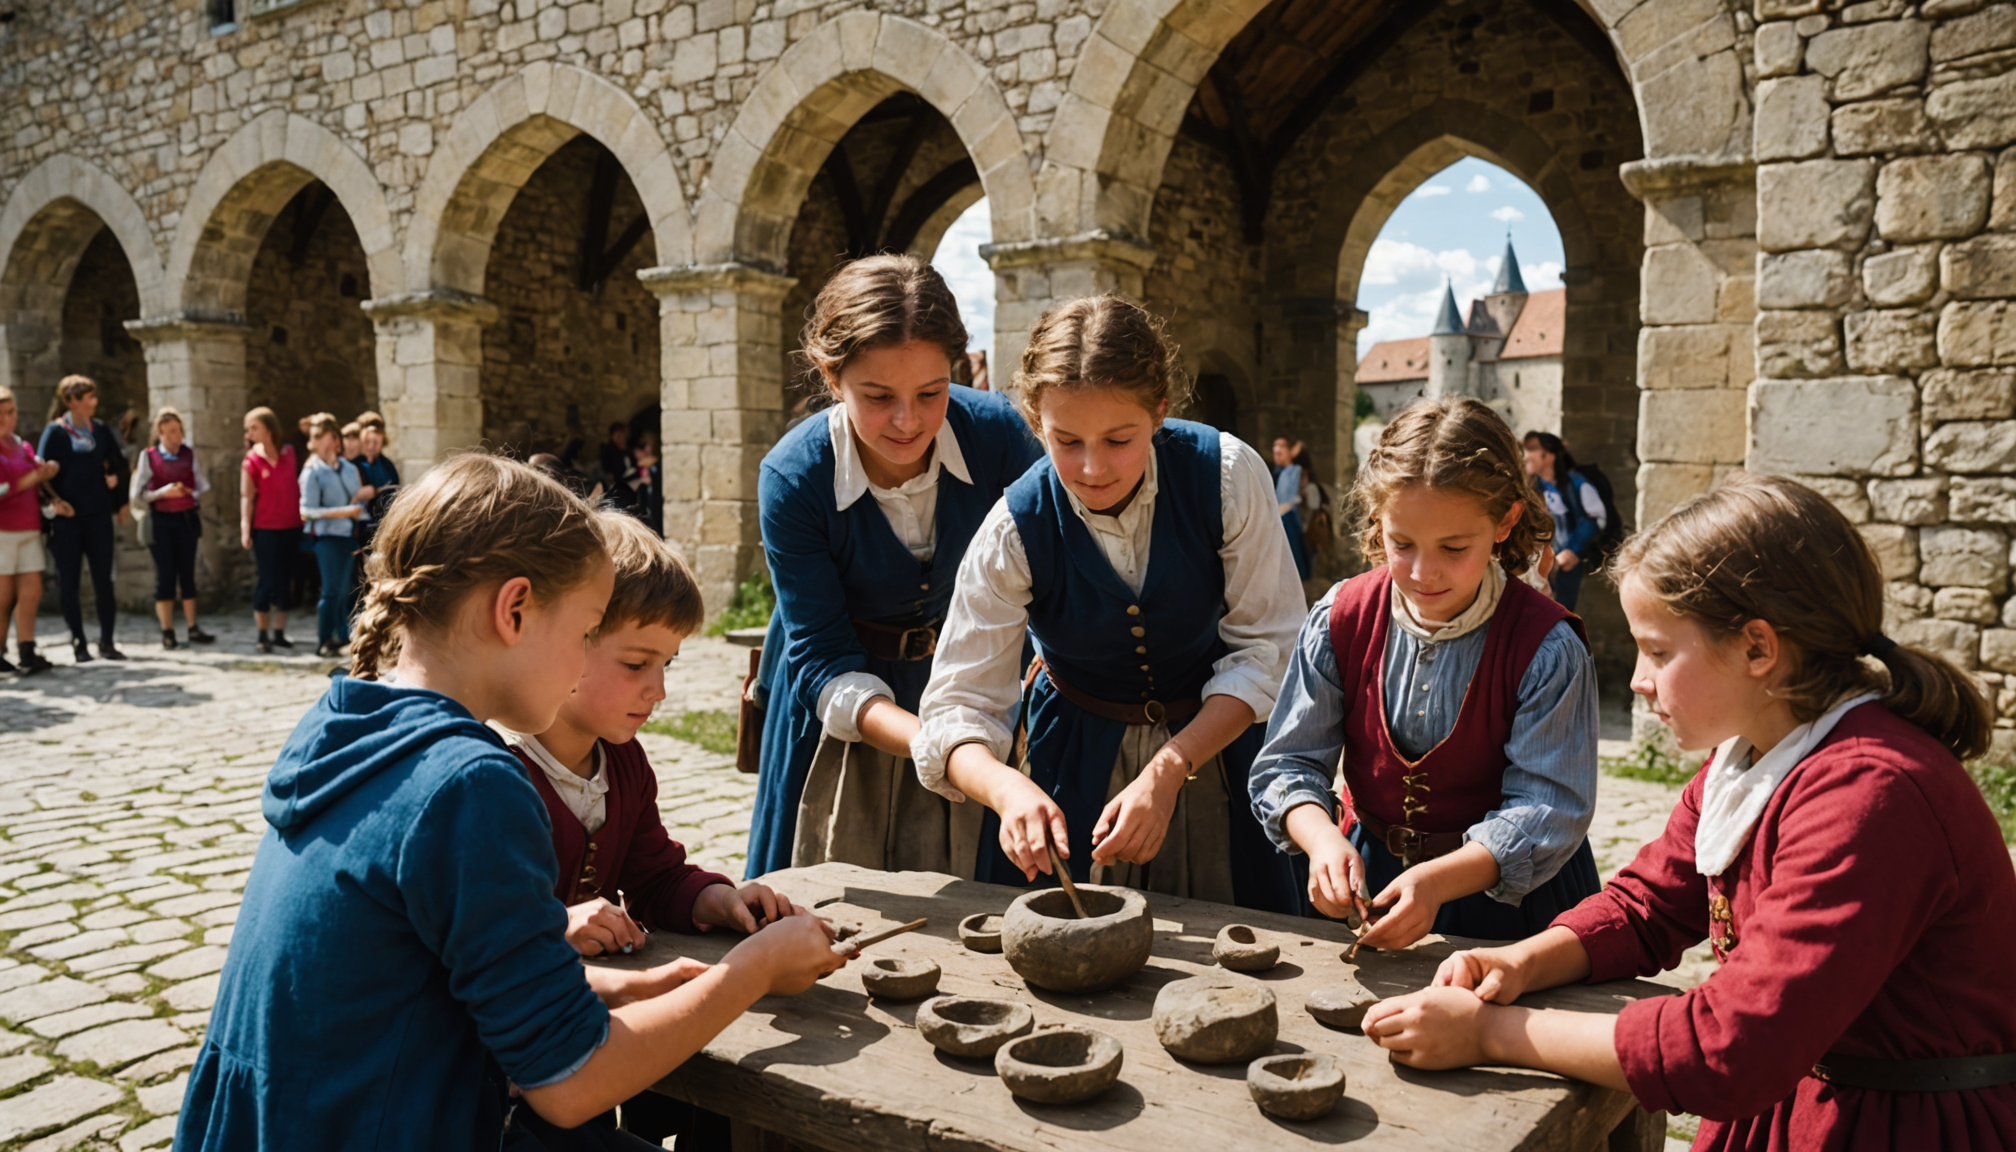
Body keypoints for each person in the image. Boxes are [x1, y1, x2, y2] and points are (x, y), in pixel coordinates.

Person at [175, 455, 850, 1152]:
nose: (586, 657)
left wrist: (587, 988)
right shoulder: (469, 783)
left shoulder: (347, 725)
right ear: (514, 608)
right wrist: (755, 969)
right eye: (588, 631)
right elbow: (570, 1084)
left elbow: (415, 980)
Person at [1362, 474, 2016, 1150]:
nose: (1639, 680)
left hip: (1903, 1127)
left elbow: (1729, 1047)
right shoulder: (1755, 755)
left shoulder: (1871, 796)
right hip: (1798, 1102)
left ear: (1757, 648)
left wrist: (1489, 1033)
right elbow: (1649, 904)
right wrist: (1522, 961)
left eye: (1659, 651)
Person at [914, 296, 1303, 912]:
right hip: (1071, 754)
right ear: (1037, 425)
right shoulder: (1015, 526)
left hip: (1216, 747)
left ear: (1159, 412)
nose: (1093, 468)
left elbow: (1271, 649)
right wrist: (1007, 790)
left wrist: (1174, 765)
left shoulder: (1226, 475)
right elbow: (956, 707)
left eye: (1119, 439)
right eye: (1066, 440)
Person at [1249, 397, 1600, 945]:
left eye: (1454, 547)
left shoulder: (1547, 648)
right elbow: (1288, 762)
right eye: (1401, 543)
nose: (1422, 572)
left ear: (1506, 520)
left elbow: (1547, 807)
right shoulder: (1339, 618)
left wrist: (1438, 882)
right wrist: (1319, 840)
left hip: (1507, 908)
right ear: (1377, 519)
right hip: (1371, 884)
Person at [499, 512, 801, 1146]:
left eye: (667, 665)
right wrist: (558, 925)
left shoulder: (625, 763)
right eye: (637, 664)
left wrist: (719, 898)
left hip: (589, 1042)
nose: (657, 690)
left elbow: (656, 873)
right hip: (507, 1081)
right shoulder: (498, 776)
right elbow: (486, 940)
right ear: (570, 639)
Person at [745, 254, 1041, 881]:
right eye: (878, 397)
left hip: (972, 687)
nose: (908, 421)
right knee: (829, 900)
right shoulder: (793, 479)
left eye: (931, 394)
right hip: (841, 702)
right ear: (832, 376)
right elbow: (823, 658)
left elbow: (1046, 581)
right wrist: (947, 751)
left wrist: (984, 724)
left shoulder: (1000, 439)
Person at [36, 375, 129, 663]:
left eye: (93, 396)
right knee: (70, 581)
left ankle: (108, 641)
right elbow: (41, 475)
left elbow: (119, 463)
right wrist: (56, 504)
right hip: (67, 521)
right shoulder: (55, 433)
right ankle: (79, 642)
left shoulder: (99, 430)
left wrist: (119, 498)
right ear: (71, 401)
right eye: (87, 397)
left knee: (104, 580)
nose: (93, 402)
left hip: (98, 516)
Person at [130, 407, 216, 650]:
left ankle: (192, 627)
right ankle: (167, 631)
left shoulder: (189, 455)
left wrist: (190, 492)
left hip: (186, 519)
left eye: (177, 431)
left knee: (187, 574)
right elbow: (138, 494)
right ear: (159, 433)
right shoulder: (149, 457)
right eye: (169, 432)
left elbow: (203, 485)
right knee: (166, 576)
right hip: (161, 521)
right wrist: (163, 492)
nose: (174, 437)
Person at [0, 385, 57, 674]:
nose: (10, 418)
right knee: (3, 597)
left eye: (12, 412)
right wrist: (32, 477)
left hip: (29, 525)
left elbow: (35, 472)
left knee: (31, 591)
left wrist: (46, 472)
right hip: (3, 530)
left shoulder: (20, 444)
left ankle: (27, 649)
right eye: (4, 413)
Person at [298, 413, 363, 659]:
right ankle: (324, 640)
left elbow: (356, 499)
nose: (312, 442)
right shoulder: (311, 472)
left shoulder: (349, 469)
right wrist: (343, 512)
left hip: (348, 535)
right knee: (330, 591)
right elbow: (306, 511)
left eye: (318, 436)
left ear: (332, 438)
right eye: (312, 437)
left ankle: (342, 637)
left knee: (346, 590)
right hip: (325, 539)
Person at [1520, 431, 1605, 610]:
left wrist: (1573, 551)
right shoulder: (1530, 488)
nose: (1526, 456)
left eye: (1532, 450)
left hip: (1566, 565)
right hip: (1534, 564)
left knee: (1561, 612)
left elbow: (1596, 518)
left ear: (1548, 456)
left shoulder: (1576, 483)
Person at [241, 407, 301, 654]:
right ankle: (262, 634)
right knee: (266, 580)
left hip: (292, 526)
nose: (250, 433)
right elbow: (247, 497)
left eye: (254, 427)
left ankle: (279, 633)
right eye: (248, 429)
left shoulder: (289, 453)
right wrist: (245, 529)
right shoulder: (251, 461)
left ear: (267, 427)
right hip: (265, 528)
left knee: (285, 580)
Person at [1271, 437, 1311, 581]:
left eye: (1282, 447)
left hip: (1289, 517)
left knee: (1294, 554)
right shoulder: (1278, 473)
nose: (1277, 451)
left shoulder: (1296, 470)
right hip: (1279, 517)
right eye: (1275, 448)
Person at [621, 431, 662, 535]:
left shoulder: (657, 466)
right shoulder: (640, 468)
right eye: (643, 446)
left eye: (648, 446)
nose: (646, 450)